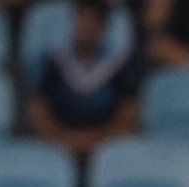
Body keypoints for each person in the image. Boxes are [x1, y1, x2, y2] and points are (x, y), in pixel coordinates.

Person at [32, 0, 146, 158]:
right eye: (82, 20)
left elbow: (130, 112)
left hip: (109, 146)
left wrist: (98, 139)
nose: (86, 27)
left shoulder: (121, 64)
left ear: (104, 27)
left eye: (93, 21)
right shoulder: (56, 61)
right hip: (60, 145)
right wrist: (62, 138)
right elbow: (38, 109)